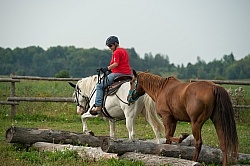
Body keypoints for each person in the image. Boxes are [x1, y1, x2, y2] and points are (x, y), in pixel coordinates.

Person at [90, 36, 132, 115]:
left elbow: (116, 64)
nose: (110, 48)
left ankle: (98, 106)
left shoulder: (116, 52)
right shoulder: (124, 51)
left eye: (110, 46)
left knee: (99, 85)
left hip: (118, 73)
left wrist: (106, 68)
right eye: (109, 46)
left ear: (116, 44)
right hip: (128, 74)